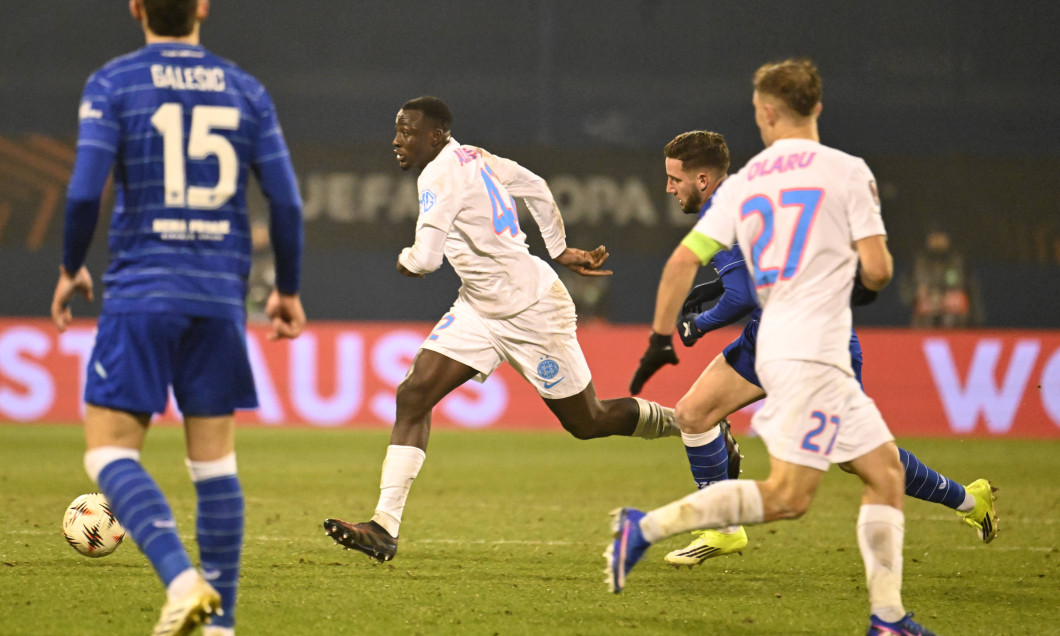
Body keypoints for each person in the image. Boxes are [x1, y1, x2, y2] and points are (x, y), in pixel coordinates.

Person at [608, 59, 938, 635]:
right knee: (789, 496)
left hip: (791, 345)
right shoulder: (848, 171)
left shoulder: (747, 184)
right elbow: (880, 270)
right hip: (813, 347)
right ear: (817, 107)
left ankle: (889, 618)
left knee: (883, 474)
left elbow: (682, 262)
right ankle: (645, 528)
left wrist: (663, 337)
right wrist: (852, 282)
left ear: (766, 111)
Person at [323, 96, 680, 562]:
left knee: (587, 422)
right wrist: (558, 246)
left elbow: (426, 259)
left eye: (407, 131)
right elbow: (535, 184)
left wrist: (404, 260)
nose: (396, 140)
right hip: (480, 308)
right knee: (414, 395)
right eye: (396, 129)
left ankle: (689, 422)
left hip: (532, 311)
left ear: (435, 135)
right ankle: (384, 527)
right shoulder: (475, 156)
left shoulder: (438, 174)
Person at [50, 1, 306, 634]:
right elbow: (287, 201)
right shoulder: (246, 89)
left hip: (142, 290)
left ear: (135, 8)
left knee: (108, 451)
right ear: (202, 7)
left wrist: (69, 265)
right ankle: (222, 626)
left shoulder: (115, 82)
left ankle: (181, 580)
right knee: (215, 462)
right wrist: (289, 290)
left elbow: (83, 190)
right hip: (219, 297)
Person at [633, 130, 998, 568]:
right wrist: (716, 284)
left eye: (675, 179)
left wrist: (699, 324)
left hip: (816, 343)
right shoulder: (750, 192)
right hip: (769, 336)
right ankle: (724, 528)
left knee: (856, 459)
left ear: (704, 179)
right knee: (693, 414)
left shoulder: (721, 210)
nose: (669, 188)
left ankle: (968, 501)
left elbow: (743, 297)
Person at [903, 228, 984, 328]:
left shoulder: (959, 262)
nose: (937, 242)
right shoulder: (918, 263)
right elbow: (906, 292)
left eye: (941, 237)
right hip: (925, 324)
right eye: (934, 237)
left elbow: (972, 291)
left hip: (957, 323)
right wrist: (916, 294)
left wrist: (977, 320)